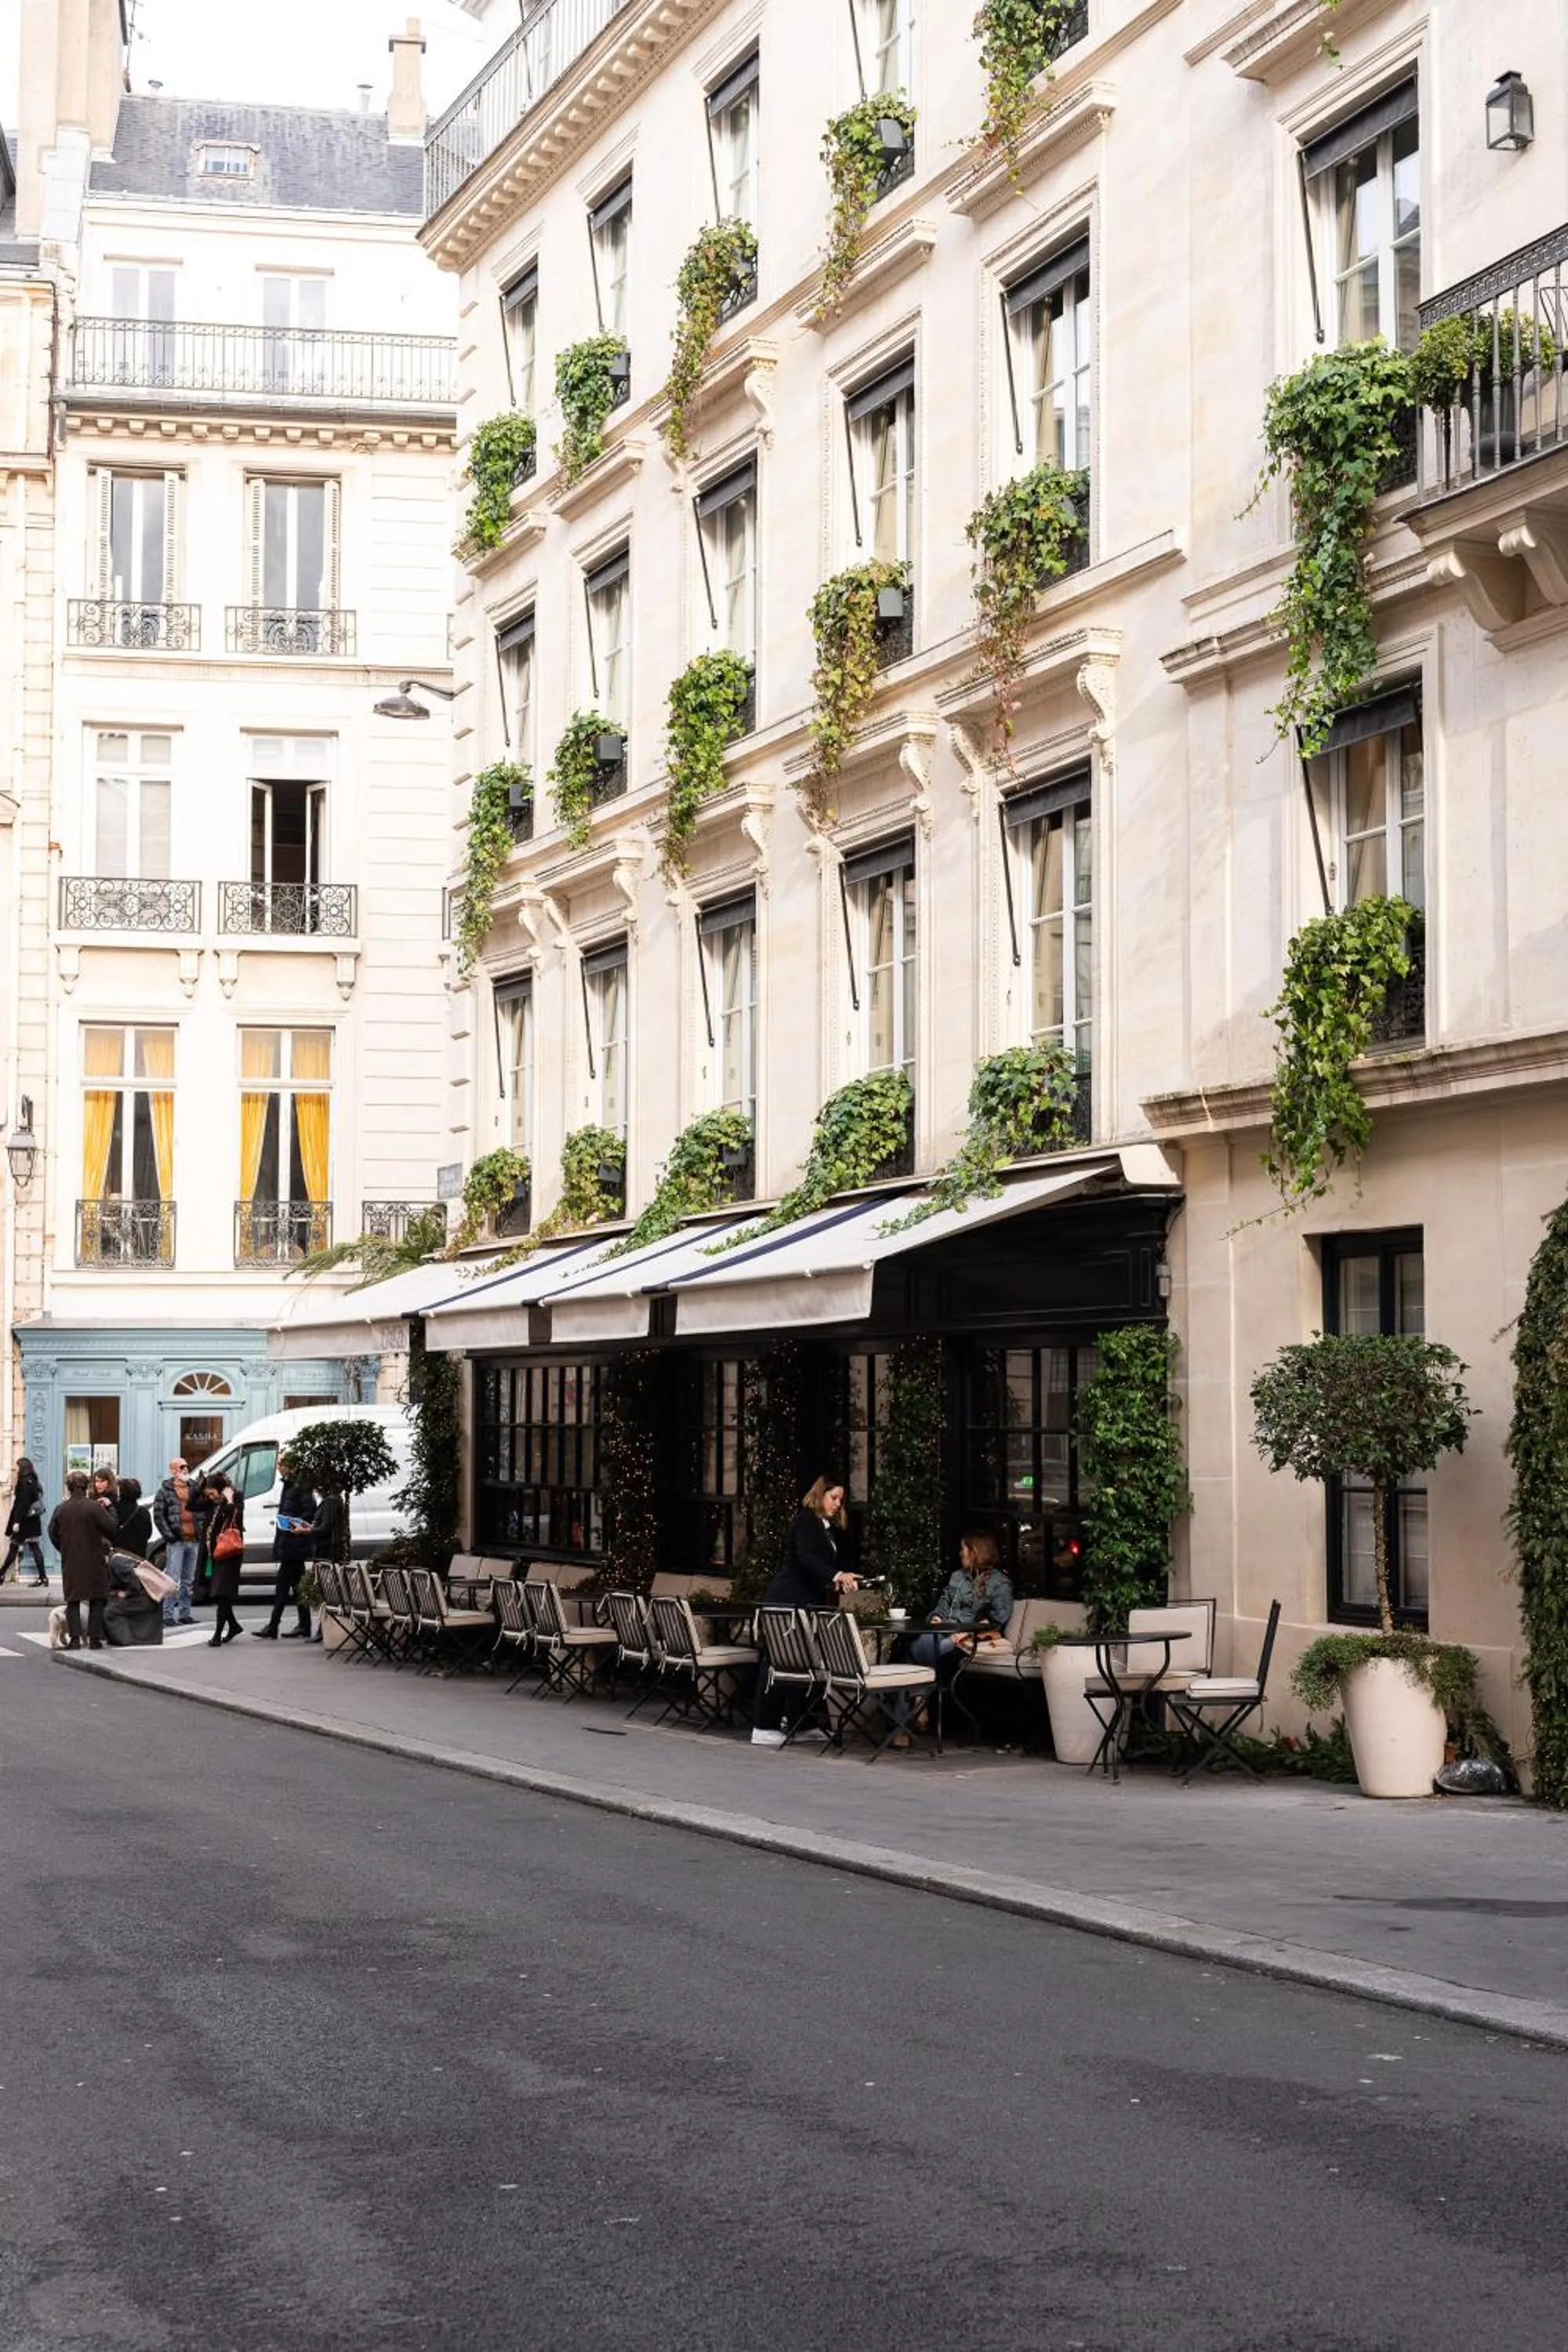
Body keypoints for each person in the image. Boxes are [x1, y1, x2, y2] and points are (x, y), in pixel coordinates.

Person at [751, 1476, 859, 1748]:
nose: (837, 1504)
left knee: (805, 1662)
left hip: (806, 1602)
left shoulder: (827, 1529)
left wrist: (841, 1579)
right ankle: (763, 1726)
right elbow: (806, 1558)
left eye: (841, 1500)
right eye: (833, 1497)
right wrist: (837, 1574)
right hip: (785, 1600)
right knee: (778, 1661)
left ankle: (803, 1724)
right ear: (819, 1495)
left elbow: (818, 1567)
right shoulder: (805, 1521)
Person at [905, 1531, 1014, 1686]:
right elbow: (944, 1603)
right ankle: (924, 1693)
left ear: (975, 1552)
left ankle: (926, 1694)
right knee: (916, 1643)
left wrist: (967, 1633)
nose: (960, 1553)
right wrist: (937, 1617)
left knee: (940, 1648)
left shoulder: (999, 1583)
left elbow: (997, 1619)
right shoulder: (957, 1577)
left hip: (971, 1637)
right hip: (945, 1629)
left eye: (963, 1549)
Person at [47, 1471, 117, 1650]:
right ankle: (94, 1639)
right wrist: (111, 1509)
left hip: (71, 1560)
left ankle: (75, 1639)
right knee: (97, 1598)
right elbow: (111, 1527)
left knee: (73, 1600)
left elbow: (52, 1533)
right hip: (95, 1558)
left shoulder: (61, 1509)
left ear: (69, 1488)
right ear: (86, 1487)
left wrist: (64, 1549)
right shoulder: (94, 1507)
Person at [257, 1454, 318, 1640]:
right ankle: (304, 1625)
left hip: (294, 1544)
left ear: (290, 1466)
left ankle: (273, 1625)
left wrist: (292, 1524)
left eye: (281, 1464)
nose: (278, 1468)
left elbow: (310, 1512)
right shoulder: (290, 1485)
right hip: (290, 1543)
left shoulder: (299, 1486)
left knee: (282, 1588)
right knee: (298, 1587)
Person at [153, 1457, 207, 1628]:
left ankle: (185, 1613)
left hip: (193, 1539)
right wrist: (169, 1536)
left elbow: (203, 1509)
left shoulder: (194, 1487)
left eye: (187, 1466)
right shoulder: (165, 1490)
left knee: (188, 1580)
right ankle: (167, 1614)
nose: (185, 1469)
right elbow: (159, 1516)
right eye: (181, 1467)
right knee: (172, 1578)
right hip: (177, 1540)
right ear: (173, 1470)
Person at [204, 1475, 245, 1647]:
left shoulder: (235, 1498)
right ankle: (234, 1626)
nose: (210, 1497)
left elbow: (237, 1517)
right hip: (217, 1552)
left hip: (230, 1552)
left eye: (213, 1493)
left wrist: (229, 1501)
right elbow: (194, 1504)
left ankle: (217, 1635)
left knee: (222, 1594)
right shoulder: (217, 1501)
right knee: (222, 1594)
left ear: (220, 1490)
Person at [2, 1457, 46, 1587]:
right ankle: (43, 1578)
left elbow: (23, 1504)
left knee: (14, 1548)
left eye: (16, 1467)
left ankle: (1, 1573)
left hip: (24, 1522)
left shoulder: (25, 1482)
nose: (14, 1469)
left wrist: (16, 1522)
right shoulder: (32, 1480)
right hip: (30, 1522)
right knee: (32, 1547)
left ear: (23, 1467)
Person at [112, 1475, 153, 1560]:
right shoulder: (143, 1511)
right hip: (138, 1557)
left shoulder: (115, 1508)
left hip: (119, 1555)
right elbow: (148, 1534)